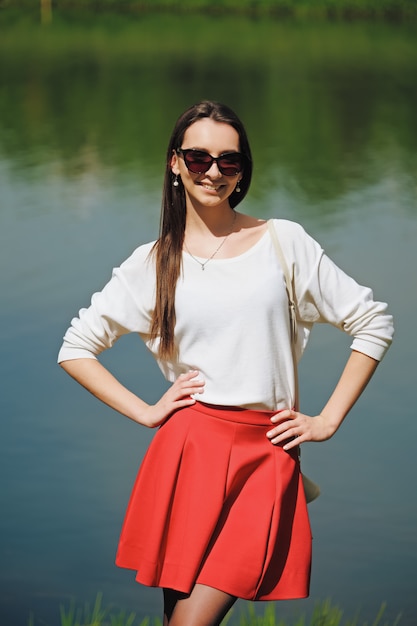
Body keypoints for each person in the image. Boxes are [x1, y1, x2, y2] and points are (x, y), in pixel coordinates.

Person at [58, 100, 394, 626]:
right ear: (175, 164)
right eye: (198, 158)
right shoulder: (152, 263)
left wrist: (327, 420)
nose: (214, 172)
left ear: (242, 169)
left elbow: (372, 322)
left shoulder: (284, 242)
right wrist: (147, 412)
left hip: (268, 454)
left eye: (229, 161)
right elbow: (76, 347)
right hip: (187, 451)